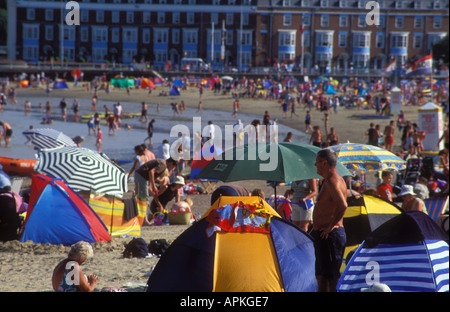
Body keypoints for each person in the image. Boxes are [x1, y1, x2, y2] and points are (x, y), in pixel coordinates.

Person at [311, 149, 348, 292]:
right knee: (321, 277)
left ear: (324, 163)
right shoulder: (328, 181)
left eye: (317, 162)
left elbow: (343, 205)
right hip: (324, 234)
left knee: (330, 279)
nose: (315, 165)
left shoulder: (334, 181)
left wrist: (330, 226)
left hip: (330, 235)